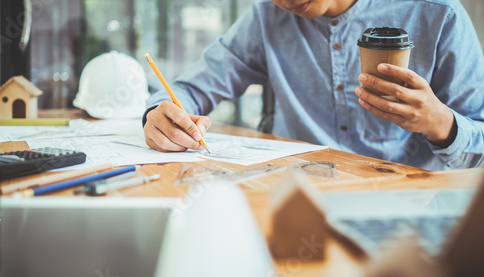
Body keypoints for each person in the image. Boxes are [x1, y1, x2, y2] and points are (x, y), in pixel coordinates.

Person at [142, 0, 484, 171]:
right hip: (294, 202)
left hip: (403, 213)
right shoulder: (266, 16)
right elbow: (191, 88)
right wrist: (159, 115)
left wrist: (441, 124)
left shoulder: (437, 13)